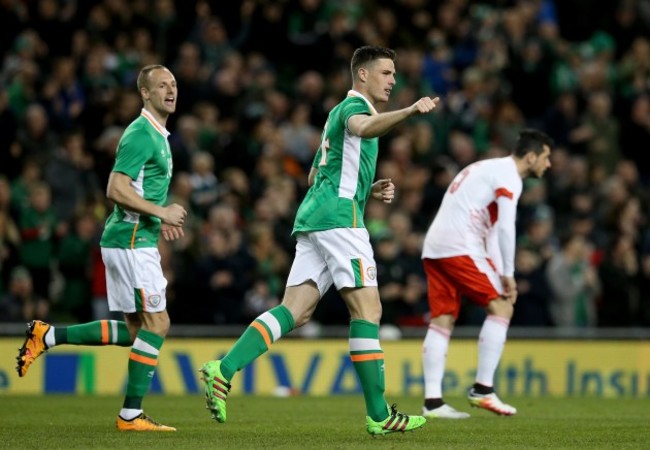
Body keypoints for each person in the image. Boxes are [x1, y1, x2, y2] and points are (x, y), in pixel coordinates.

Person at [199, 45, 440, 435]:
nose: (393, 80)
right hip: (341, 221)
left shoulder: (334, 116)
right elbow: (363, 129)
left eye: (394, 74)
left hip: (316, 218)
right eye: (386, 73)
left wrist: (365, 188)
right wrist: (411, 111)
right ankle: (379, 414)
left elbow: (316, 177)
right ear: (362, 75)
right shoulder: (353, 111)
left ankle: (222, 369)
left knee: (296, 311)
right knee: (368, 311)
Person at [16, 64, 187, 432]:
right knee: (159, 323)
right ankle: (130, 415)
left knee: (136, 332)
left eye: (173, 84)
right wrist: (161, 212)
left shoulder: (158, 135)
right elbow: (115, 188)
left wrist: (160, 220)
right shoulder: (141, 134)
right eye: (162, 85)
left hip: (132, 239)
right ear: (145, 93)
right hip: (130, 243)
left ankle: (48, 335)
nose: (170, 90)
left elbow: (138, 189)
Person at [420, 129, 553, 419]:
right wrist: (508, 274)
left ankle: (432, 402)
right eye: (545, 157)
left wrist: (501, 272)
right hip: (459, 245)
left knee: (443, 318)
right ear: (530, 157)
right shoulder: (510, 178)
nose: (548, 164)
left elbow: (491, 232)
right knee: (502, 306)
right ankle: (483, 389)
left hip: (434, 247)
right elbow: (506, 227)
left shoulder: (487, 167)